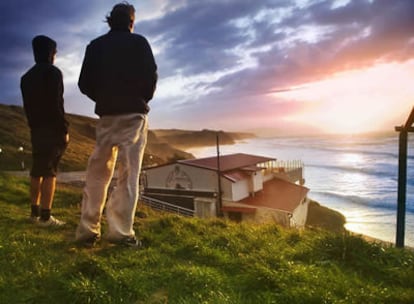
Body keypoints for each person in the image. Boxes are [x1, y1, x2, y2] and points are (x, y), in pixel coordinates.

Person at [75, 2, 157, 247]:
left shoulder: (96, 46)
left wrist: (102, 98)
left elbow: (83, 83)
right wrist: (141, 98)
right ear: (131, 21)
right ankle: (120, 232)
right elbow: (151, 77)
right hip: (134, 114)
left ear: (110, 20)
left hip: (106, 116)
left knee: (97, 173)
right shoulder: (140, 43)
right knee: (129, 173)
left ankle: (88, 229)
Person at [20, 35, 69, 226]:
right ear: (50, 53)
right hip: (52, 128)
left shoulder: (26, 78)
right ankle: (46, 217)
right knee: (50, 171)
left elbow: (28, 106)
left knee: (36, 169)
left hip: (36, 128)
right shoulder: (54, 73)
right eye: (54, 52)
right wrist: (64, 128)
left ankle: (34, 213)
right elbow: (57, 104)